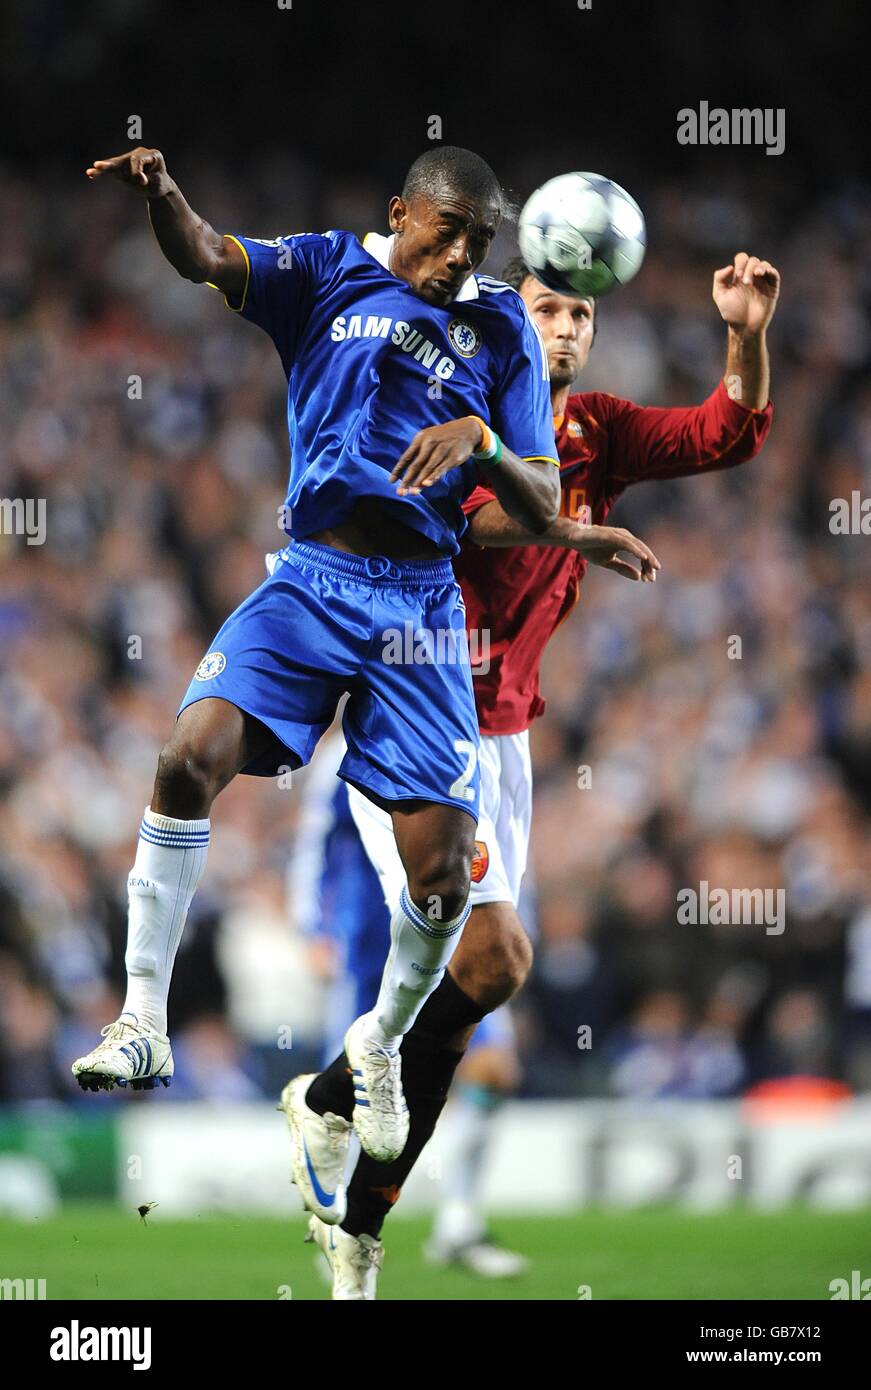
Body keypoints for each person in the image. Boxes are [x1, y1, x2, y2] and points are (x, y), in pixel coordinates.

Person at [286, 249, 780, 1298]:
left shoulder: (593, 427)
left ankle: (343, 1132)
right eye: (545, 306)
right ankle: (354, 1142)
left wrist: (742, 333)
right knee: (486, 943)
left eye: (580, 312)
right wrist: (575, 528)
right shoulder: (449, 395)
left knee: (492, 973)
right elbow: (475, 518)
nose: (562, 327)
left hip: (500, 734)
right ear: (512, 314)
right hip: (410, 703)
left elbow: (722, 433)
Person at [71, 143, 566, 1177]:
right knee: (184, 756)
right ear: (402, 211)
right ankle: (142, 1021)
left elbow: (545, 501)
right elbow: (205, 254)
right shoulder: (324, 269)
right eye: (448, 232)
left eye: (481, 241)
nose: (462, 255)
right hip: (310, 578)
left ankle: (377, 1045)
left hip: (421, 606)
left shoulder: (500, 324)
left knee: (440, 872)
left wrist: (480, 441)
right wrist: (167, 192)